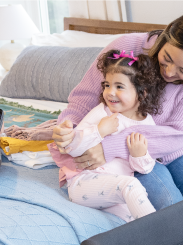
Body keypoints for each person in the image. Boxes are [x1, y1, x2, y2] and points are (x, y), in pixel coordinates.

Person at [52, 12, 183, 210]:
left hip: (179, 149)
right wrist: (68, 129)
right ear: (165, 37)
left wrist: (109, 147)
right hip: (132, 157)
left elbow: (180, 133)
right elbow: (85, 97)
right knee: (170, 208)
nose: (169, 72)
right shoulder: (126, 47)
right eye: (167, 58)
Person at [48, 49, 165, 222]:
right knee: (132, 186)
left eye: (119, 87)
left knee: (132, 219)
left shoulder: (147, 123)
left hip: (113, 189)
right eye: (107, 85)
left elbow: (144, 168)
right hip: (84, 182)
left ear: (142, 92)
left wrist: (139, 155)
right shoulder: (101, 112)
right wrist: (99, 131)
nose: (110, 92)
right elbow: (73, 148)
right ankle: (160, 231)